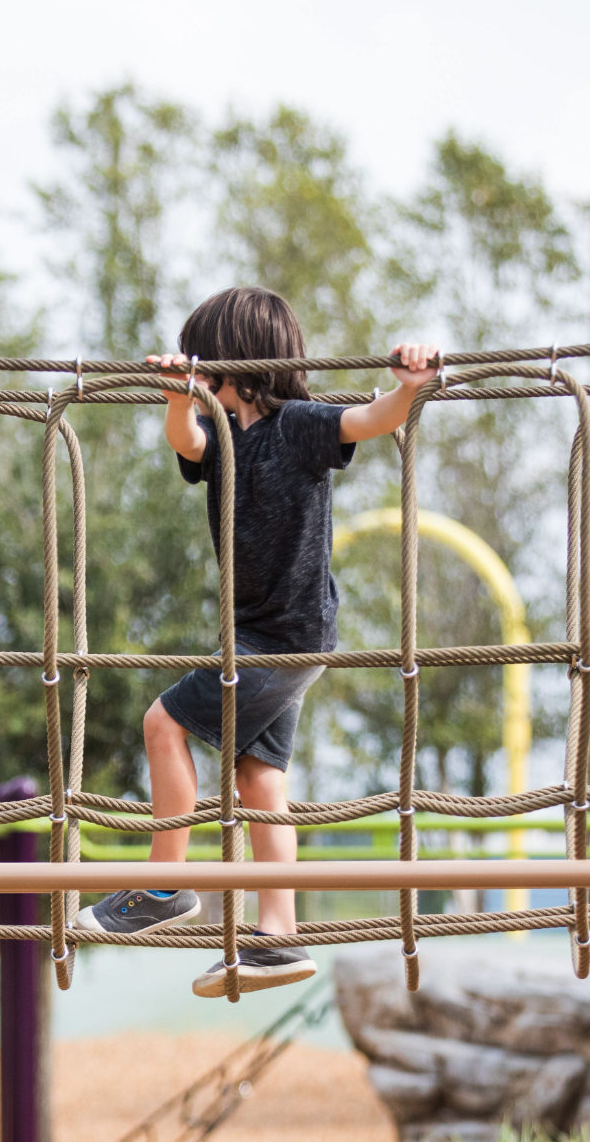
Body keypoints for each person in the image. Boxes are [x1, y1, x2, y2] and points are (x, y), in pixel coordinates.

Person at [76, 286, 442, 996]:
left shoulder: (299, 426)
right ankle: (278, 934)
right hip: (269, 635)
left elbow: (372, 418)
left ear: (240, 363)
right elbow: (185, 442)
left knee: (163, 723)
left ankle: (163, 888)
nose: (197, 369)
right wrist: (178, 397)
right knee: (258, 781)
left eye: (204, 358)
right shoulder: (220, 433)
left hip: (286, 635)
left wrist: (410, 385)